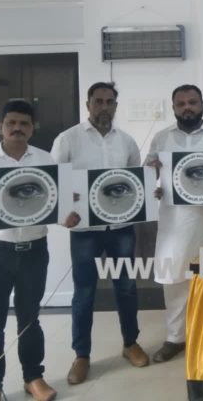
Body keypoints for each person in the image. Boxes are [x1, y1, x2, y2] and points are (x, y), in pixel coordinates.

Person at [0, 100, 79, 401]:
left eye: (24, 123)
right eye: (11, 123)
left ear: (32, 128)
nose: (17, 128)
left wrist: (68, 217)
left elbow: (58, 207)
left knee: (30, 319)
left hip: (33, 251)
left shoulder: (46, 160)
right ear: (0, 127)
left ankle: (33, 378)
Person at [51, 82, 148, 385]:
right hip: (85, 231)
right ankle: (81, 355)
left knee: (127, 287)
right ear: (88, 104)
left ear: (116, 106)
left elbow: (135, 183)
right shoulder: (68, 139)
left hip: (121, 229)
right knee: (84, 293)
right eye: (98, 101)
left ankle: (130, 343)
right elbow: (53, 183)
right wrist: (63, 214)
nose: (104, 107)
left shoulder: (127, 142)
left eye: (109, 102)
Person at [145, 85, 203, 362]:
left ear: (202, 104)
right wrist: (152, 182)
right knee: (174, 281)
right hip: (174, 223)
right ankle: (175, 338)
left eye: (192, 102)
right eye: (181, 104)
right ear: (173, 108)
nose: (187, 108)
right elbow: (147, 176)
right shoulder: (161, 138)